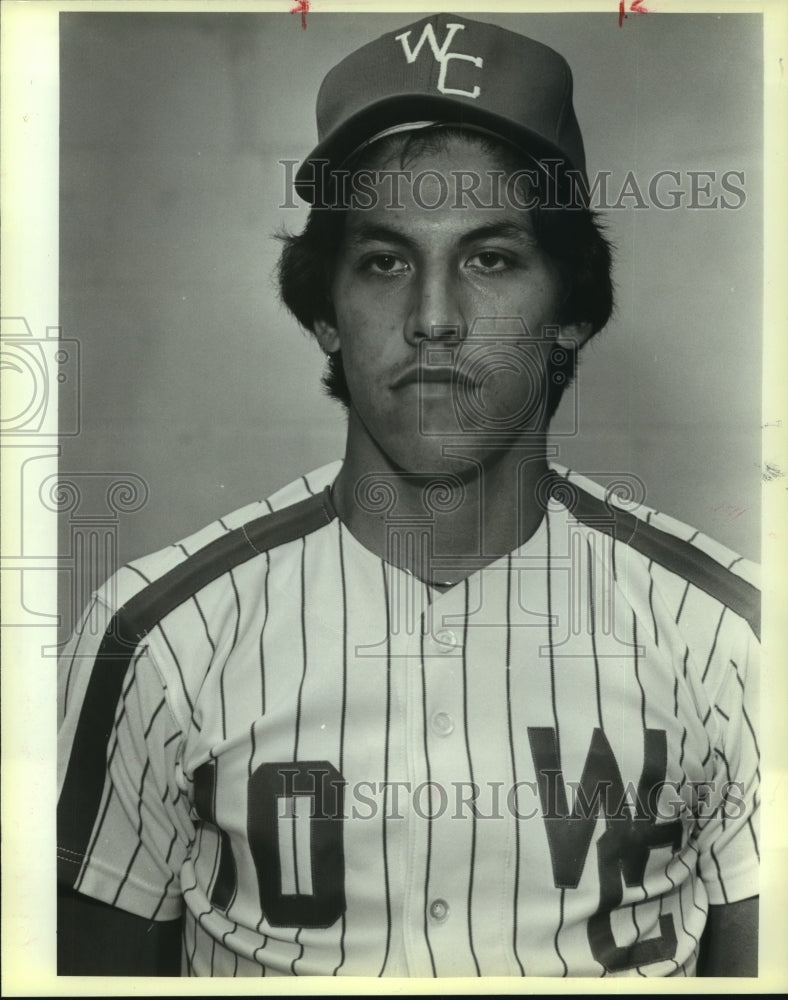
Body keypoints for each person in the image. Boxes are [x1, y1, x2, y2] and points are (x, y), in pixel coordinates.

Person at [57, 13, 759, 978]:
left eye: (492, 258)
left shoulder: (736, 642)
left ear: (573, 310)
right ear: (324, 314)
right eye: (385, 262)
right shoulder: (156, 638)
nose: (434, 319)